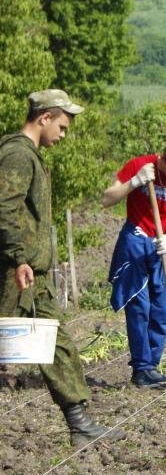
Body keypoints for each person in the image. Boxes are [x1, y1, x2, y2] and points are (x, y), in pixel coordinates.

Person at [0, 90, 126, 445]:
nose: (63, 134)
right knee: (54, 342)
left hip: (27, 271)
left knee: (56, 343)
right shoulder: (17, 156)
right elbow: (3, 208)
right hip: (16, 270)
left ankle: (80, 423)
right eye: (62, 126)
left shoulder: (27, 156)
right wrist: (19, 257)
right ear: (44, 117)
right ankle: (80, 423)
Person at [101, 141, 166, 389]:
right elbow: (106, 198)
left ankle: (152, 367)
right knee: (139, 306)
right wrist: (134, 182)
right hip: (136, 239)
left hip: (162, 242)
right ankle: (142, 369)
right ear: (161, 158)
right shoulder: (139, 165)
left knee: (161, 307)